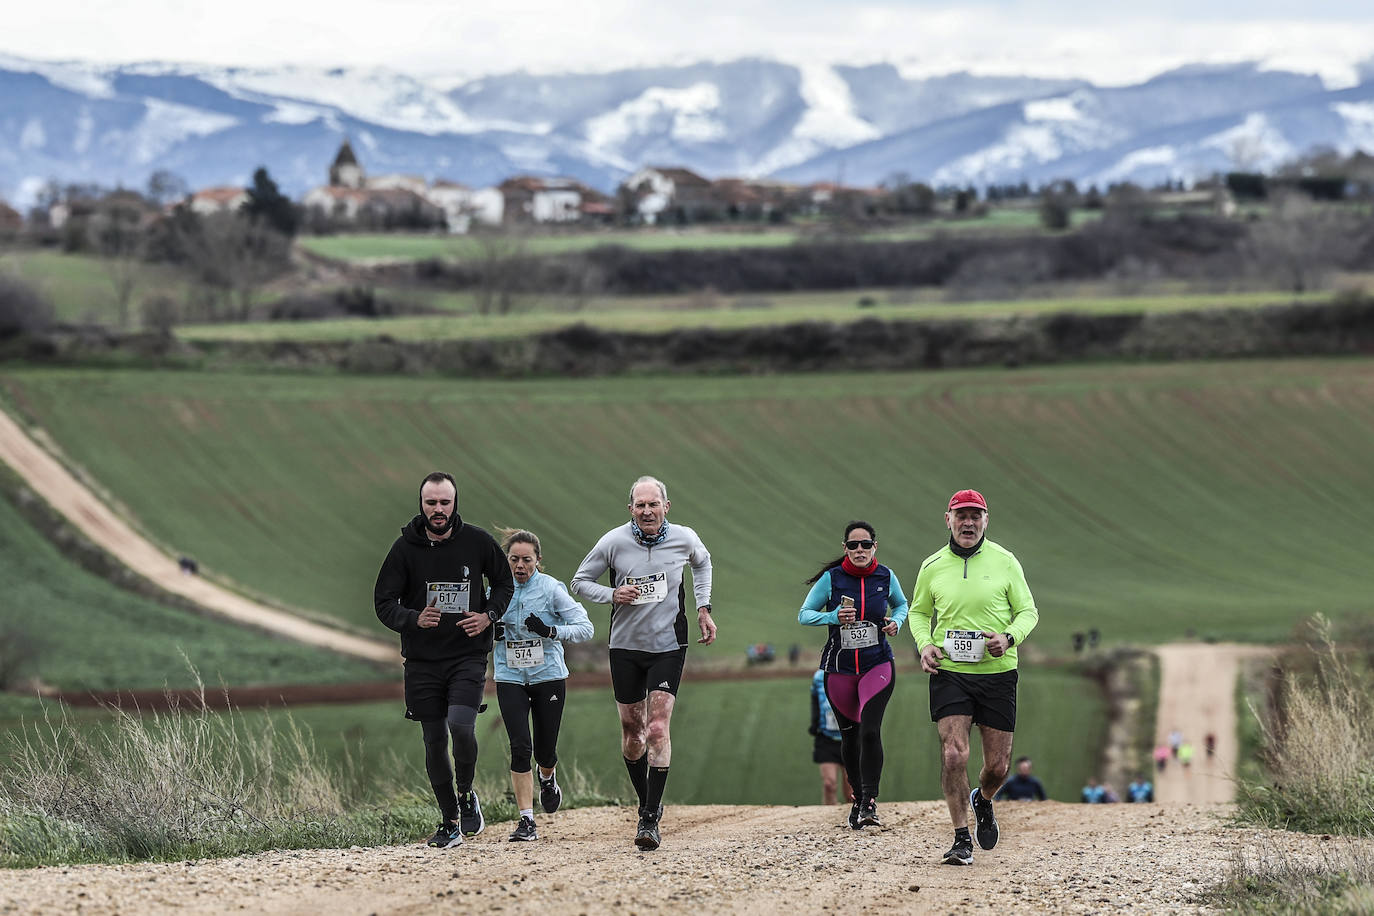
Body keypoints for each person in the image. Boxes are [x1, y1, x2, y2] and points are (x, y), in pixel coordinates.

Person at [571, 475, 715, 851]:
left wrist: (703, 608)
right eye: (640, 505)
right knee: (633, 733)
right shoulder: (613, 541)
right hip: (625, 647)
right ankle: (647, 801)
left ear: (666, 506)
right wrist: (612, 593)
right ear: (631, 509)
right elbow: (579, 582)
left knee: (656, 728)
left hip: (668, 645)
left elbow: (703, 563)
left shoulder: (684, 538)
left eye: (653, 504)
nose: (647, 511)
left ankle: (649, 818)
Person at [374, 471, 515, 849]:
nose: (438, 509)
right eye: (431, 502)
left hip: (468, 655)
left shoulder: (478, 542)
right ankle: (450, 821)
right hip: (422, 661)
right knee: (434, 740)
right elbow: (383, 603)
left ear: (455, 504)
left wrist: (488, 615)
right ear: (421, 504)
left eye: (445, 502)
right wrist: (413, 618)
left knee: (461, 726)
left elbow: (504, 583)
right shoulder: (404, 550)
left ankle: (466, 794)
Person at [909, 489, 1039, 867]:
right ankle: (961, 838)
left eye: (975, 516)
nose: (968, 523)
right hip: (951, 672)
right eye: (961, 516)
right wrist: (924, 644)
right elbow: (919, 613)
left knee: (997, 768)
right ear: (948, 519)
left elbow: (1028, 611)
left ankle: (982, 799)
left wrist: (1008, 637)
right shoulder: (932, 565)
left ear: (986, 520)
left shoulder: (1005, 561)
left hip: (998, 673)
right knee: (954, 754)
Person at [798, 521, 908, 828]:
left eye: (865, 544)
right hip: (840, 670)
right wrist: (832, 616)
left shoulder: (886, 576)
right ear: (845, 548)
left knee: (870, 731)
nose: (860, 550)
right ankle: (858, 799)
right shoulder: (832, 579)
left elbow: (901, 604)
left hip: (877, 665)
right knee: (850, 736)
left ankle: (870, 801)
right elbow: (804, 615)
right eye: (853, 545)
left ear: (875, 547)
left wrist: (897, 621)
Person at [492, 528, 595, 842]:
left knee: (545, 750)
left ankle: (547, 778)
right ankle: (526, 820)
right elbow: (477, 624)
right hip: (509, 676)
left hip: (548, 676)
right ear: (506, 560)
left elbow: (585, 628)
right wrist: (489, 632)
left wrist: (551, 631)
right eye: (514, 559)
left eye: (526, 560)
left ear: (538, 560)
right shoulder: (495, 590)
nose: (520, 565)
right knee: (520, 747)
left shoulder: (551, 589)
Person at [809, 667, 854, 806]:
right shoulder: (818, 677)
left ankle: (851, 815)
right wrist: (815, 722)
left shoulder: (852, 673)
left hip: (850, 739)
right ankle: (829, 815)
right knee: (829, 784)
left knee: (851, 791)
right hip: (827, 739)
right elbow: (814, 700)